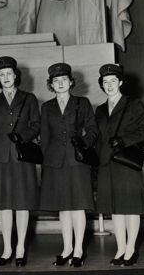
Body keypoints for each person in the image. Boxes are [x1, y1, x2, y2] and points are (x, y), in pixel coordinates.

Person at [0, 56, 40, 267]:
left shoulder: (29, 98)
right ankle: (7, 248)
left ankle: (21, 247)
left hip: (22, 157)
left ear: (16, 76)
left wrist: (22, 136)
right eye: (1, 75)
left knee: (22, 204)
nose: (5, 77)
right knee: (4, 205)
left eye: (9, 74)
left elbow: (36, 125)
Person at [39, 63, 98, 267]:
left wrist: (84, 144)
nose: (60, 83)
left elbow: (92, 130)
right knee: (63, 208)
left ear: (71, 82)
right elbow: (45, 137)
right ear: (51, 85)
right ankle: (67, 248)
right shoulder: (47, 107)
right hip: (55, 162)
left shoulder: (82, 103)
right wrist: (47, 160)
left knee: (78, 206)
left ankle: (79, 249)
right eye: (56, 81)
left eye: (64, 79)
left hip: (78, 161)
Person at [95, 64, 144, 266]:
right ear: (101, 85)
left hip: (126, 162)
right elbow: (97, 137)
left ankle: (131, 249)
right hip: (106, 164)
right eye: (105, 82)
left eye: (112, 81)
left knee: (131, 208)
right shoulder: (100, 110)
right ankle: (120, 248)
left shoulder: (132, 104)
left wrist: (124, 140)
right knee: (115, 209)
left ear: (120, 82)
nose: (108, 85)